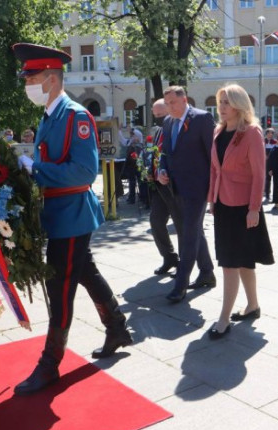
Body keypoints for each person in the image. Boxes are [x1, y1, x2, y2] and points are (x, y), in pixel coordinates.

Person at [13, 43, 132, 395]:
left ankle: (50, 364)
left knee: (60, 286)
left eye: (31, 77)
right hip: (56, 213)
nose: (27, 84)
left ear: (51, 78)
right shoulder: (49, 115)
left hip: (72, 214)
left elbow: (83, 171)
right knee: (84, 271)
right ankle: (117, 326)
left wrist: (38, 168)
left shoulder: (76, 115)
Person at [207, 84, 274, 339]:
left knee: (230, 263)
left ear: (239, 104)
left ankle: (224, 318)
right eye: (219, 102)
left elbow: (259, 175)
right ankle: (253, 305)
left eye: (226, 102)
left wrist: (254, 209)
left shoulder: (252, 133)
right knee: (242, 260)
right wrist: (212, 198)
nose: (221, 107)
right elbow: (215, 170)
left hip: (244, 207)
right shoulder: (218, 131)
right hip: (223, 204)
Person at [158, 85, 216, 303]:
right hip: (175, 186)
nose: (169, 107)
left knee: (189, 233)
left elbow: (212, 154)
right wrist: (162, 170)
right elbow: (166, 152)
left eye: (173, 102)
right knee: (194, 230)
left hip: (197, 188)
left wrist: (214, 189)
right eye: (167, 103)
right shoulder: (167, 122)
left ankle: (181, 283)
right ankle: (207, 273)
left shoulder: (201, 119)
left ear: (184, 100)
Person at [147, 98, 182, 275]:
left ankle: (187, 264)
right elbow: (156, 153)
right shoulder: (160, 131)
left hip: (172, 186)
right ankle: (169, 257)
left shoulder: (176, 130)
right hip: (158, 186)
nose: (157, 118)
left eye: (160, 115)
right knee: (156, 222)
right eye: (155, 115)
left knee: (181, 224)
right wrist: (149, 169)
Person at [264, 128, 277, 201]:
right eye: (269, 133)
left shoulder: (275, 141)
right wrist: (264, 155)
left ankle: (275, 194)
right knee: (267, 178)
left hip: (273, 161)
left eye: (271, 133)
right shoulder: (263, 141)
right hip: (265, 162)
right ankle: (267, 194)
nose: (270, 134)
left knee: (274, 178)